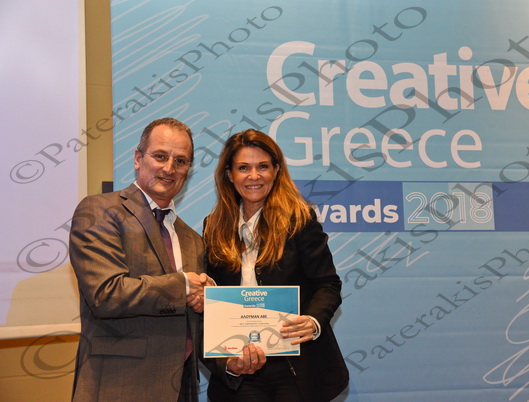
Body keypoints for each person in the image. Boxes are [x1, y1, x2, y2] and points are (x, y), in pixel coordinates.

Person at [69, 118, 263, 402]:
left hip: (182, 388)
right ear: (138, 158)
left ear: (188, 170)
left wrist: (229, 362)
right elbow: (106, 294)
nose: (169, 168)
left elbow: (194, 326)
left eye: (180, 161)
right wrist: (183, 286)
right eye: (160, 156)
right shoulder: (100, 211)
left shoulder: (192, 239)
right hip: (120, 386)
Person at [202, 129, 349, 401]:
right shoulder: (213, 226)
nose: (254, 176)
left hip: (296, 368)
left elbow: (328, 284)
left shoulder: (300, 220)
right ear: (229, 174)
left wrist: (312, 321)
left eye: (263, 167)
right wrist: (227, 362)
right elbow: (209, 303)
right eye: (243, 168)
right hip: (240, 368)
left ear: (276, 171)